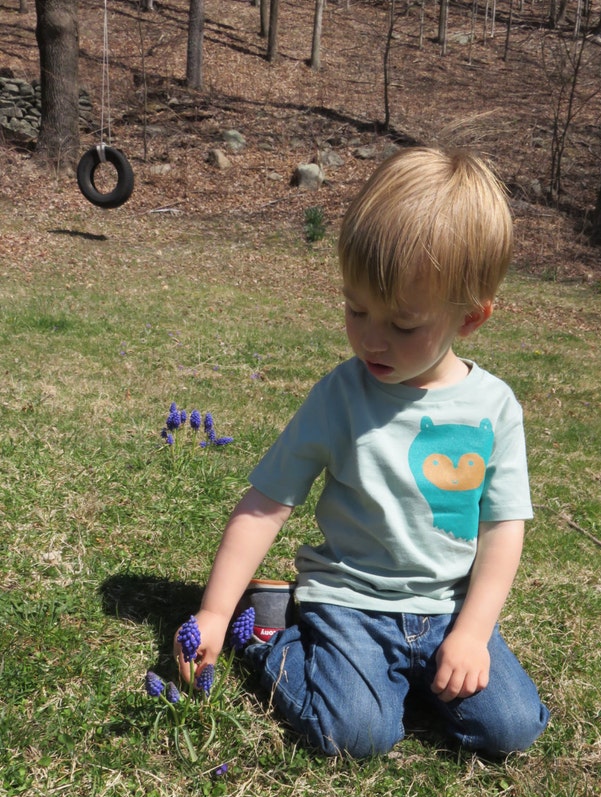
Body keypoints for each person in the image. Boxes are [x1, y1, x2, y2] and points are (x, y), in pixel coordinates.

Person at [176, 146, 549, 758]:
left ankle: (406, 679)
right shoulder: (340, 397)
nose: (371, 337)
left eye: (403, 325)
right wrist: (216, 613)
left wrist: (474, 633)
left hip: (446, 609)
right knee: (356, 735)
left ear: (472, 317)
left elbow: (504, 528)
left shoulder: (495, 407)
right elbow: (265, 503)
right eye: (355, 308)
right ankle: (271, 634)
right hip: (348, 603)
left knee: (512, 726)